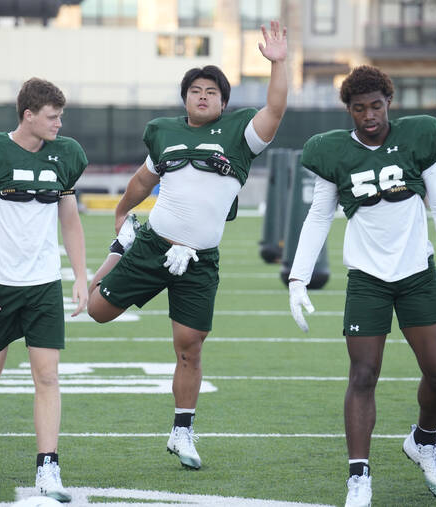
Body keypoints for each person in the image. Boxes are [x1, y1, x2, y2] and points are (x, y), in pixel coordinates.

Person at [86, 21, 288, 470]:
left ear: (223, 101)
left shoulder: (241, 134)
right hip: (154, 244)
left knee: (189, 346)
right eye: (195, 89)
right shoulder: (163, 131)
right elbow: (144, 178)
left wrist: (279, 63)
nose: (202, 96)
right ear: (185, 98)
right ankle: (119, 250)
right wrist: (122, 211)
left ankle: (182, 431)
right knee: (96, 311)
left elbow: (275, 109)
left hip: (199, 259)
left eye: (211, 91)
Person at [287, 65, 436, 506]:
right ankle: (359, 476)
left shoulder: (418, 137)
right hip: (367, 279)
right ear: (348, 110)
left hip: (416, 273)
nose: (368, 115)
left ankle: (423, 442)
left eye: (375, 105)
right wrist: (297, 277)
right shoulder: (332, 152)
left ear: (389, 101)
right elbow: (318, 217)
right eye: (358, 108)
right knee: (364, 374)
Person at [0, 77, 89, 501]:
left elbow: (70, 220)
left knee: (47, 376)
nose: (59, 124)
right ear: (28, 115)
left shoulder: (63, 157)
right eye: (52, 117)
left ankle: (48, 466)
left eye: (61, 116)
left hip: (43, 285)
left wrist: (81, 276)